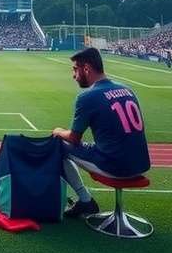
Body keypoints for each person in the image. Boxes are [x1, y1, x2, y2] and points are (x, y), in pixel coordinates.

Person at [52, 47, 151, 217]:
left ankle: (85, 201)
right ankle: (85, 201)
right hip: (141, 164)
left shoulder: (87, 97)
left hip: (116, 167)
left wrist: (58, 131)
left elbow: (74, 139)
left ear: (87, 69)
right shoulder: (127, 90)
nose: (73, 76)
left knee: (57, 144)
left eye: (75, 69)